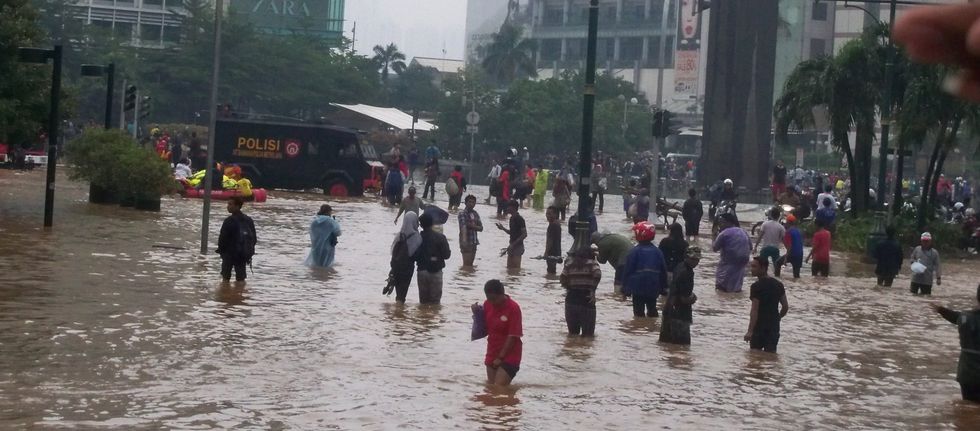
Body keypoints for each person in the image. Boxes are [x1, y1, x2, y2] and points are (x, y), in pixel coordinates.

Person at [929, 284, 980, 403]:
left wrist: (941, 310)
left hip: (967, 374)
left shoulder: (965, 317)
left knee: (968, 409)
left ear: (977, 296)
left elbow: (956, 317)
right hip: (968, 374)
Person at [474, 280, 523, 386]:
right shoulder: (487, 304)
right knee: (491, 390)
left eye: (494, 299)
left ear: (502, 294)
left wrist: (500, 357)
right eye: (489, 299)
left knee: (499, 387)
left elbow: (513, 336)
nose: (492, 302)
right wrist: (477, 313)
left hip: (510, 354)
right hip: (492, 351)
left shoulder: (513, 308)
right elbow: (483, 329)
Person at [622, 222, 669, 317]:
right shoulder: (657, 252)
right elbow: (663, 271)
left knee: (638, 312)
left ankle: (640, 330)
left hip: (638, 287)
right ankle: (652, 329)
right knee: (652, 309)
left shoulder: (634, 252)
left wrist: (625, 289)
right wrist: (664, 288)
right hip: (653, 286)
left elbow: (628, 271)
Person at [744, 257, 789, 353]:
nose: (752, 269)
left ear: (763, 268)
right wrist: (778, 318)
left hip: (759, 327)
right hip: (773, 327)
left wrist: (750, 331)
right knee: (770, 357)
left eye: (754, 266)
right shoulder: (778, 284)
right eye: (751, 266)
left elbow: (754, 310)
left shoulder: (756, 286)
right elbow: (785, 307)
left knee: (755, 358)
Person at [660, 247, 702, 345]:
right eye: (693, 259)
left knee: (666, 345)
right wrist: (693, 298)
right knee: (682, 348)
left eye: (697, 259)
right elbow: (684, 298)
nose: (696, 262)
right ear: (686, 257)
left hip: (669, 309)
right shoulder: (687, 273)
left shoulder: (679, 267)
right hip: (680, 314)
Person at [560, 247, 602, 337]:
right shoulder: (592, 263)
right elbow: (597, 274)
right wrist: (593, 290)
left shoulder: (569, 264)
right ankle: (583, 350)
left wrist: (568, 287)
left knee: (573, 334)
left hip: (571, 299)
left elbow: (562, 277)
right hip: (587, 300)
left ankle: (573, 348)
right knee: (588, 335)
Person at [216, 197, 257, 282]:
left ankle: (226, 294)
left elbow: (222, 238)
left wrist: (221, 251)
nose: (228, 206)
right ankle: (240, 294)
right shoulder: (249, 220)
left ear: (237, 206)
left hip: (229, 253)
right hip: (242, 254)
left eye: (230, 204)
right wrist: (248, 250)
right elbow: (254, 238)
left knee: (225, 279)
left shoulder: (229, 221)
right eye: (228, 204)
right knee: (241, 280)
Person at [415, 213, 451, 304]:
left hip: (422, 271)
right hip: (436, 272)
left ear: (421, 225)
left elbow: (414, 255)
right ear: (432, 224)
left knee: (423, 302)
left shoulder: (417, 238)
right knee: (435, 303)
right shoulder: (441, 237)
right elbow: (447, 255)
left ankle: (423, 317)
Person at [387, 212, 421, 303]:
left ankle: (397, 309)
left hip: (395, 266)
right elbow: (416, 255)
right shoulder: (417, 237)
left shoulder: (399, 235)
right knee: (403, 291)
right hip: (407, 268)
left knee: (398, 290)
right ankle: (399, 311)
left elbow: (393, 251)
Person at [713, 213, 751, 293]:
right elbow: (750, 247)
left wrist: (714, 235)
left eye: (722, 222)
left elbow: (714, 248)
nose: (720, 224)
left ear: (728, 222)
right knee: (736, 283)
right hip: (742, 261)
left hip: (729, 261)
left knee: (721, 285)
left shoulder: (724, 233)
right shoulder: (743, 231)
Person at [496, 200, 527, 269]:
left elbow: (524, 234)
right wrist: (503, 228)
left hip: (517, 246)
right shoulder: (512, 218)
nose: (507, 208)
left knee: (516, 269)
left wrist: (513, 244)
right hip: (511, 245)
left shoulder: (519, 219)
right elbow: (512, 233)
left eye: (508, 207)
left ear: (513, 208)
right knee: (509, 269)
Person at [754, 207, 786, 272]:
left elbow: (760, 237)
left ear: (770, 215)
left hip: (765, 248)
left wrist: (755, 247)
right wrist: (788, 250)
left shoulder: (765, 224)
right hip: (775, 249)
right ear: (779, 216)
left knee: (762, 266)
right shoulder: (781, 227)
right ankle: (777, 277)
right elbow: (784, 240)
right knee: (777, 266)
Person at [458, 195, 483, 267]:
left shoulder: (475, 213)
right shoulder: (462, 213)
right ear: (465, 203)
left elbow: (481, 228)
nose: (471, 204)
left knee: (470, 265)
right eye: (469, 202)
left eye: (473, 202)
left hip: (474, 241)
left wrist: (472, 226)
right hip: (466, 240)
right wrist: (464, 241)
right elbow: (463, 228)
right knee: (466, 265)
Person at [780, 214, 805, 279]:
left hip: (792, 254)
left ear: (788, 222)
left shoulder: (788, 232)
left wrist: (786, 258)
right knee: (796, 275)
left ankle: (777, 278)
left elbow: (789, 246)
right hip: (800, 254)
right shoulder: (799, 231)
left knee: (778, 263)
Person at [545, 206, 562, 274]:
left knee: (550, 270)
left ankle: (550, 283)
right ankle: (552, 282)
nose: (547, 215)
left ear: (555, 215)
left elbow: (550, 240)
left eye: (550, 214)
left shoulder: (552, 225)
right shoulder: (557, 224)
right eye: (547, 213)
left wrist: (546, 252)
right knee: (552, 270)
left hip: (552, 251)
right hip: (556, 250)